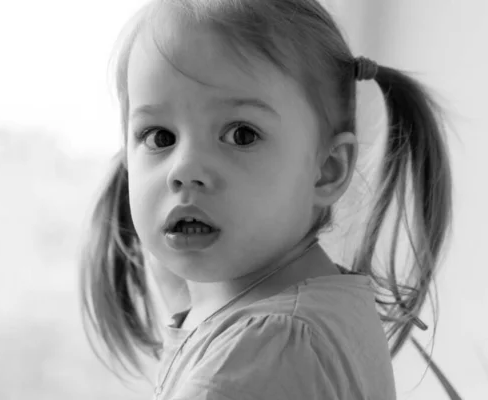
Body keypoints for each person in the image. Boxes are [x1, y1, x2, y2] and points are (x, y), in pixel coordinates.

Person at [79, 0, 453, 398]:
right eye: (159, 137)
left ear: (327, 169)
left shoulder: (263, 351)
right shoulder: (314, 309)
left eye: (241, 134)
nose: (184, 169)